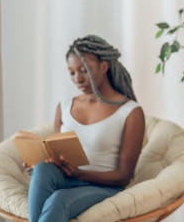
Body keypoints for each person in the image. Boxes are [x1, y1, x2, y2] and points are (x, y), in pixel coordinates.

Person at [26, 34, 145, 222]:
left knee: (58, 200)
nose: (78, 79)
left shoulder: (130, 112)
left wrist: (80, 173)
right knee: (42, 169)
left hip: (103, 187)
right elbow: (57, 155)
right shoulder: (64, 106)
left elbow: (125, 176)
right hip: (66, 178)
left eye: (84, 70)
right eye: (72, 72)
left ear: (104, 67)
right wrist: (40, 164)